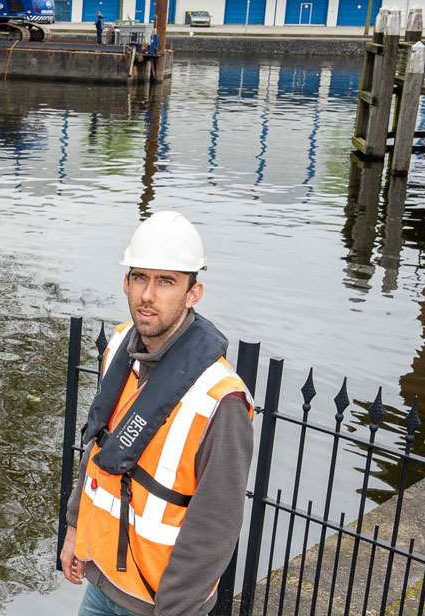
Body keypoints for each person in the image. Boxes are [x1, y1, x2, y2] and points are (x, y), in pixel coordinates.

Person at [60, 211, 254, 616]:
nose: (148, 295)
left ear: (193, 293)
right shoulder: (118, 351)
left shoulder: (221, 399)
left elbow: (215, 529)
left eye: (166, 281)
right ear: (126, 283)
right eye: (140, 278)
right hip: (102, 583)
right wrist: (75, 529)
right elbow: (97, 451)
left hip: (160, 604)